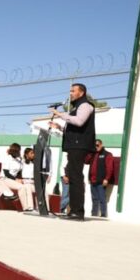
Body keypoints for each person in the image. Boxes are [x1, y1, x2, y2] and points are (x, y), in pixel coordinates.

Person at [50, 83, 96, 221]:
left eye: (73, 91)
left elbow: (79, 121)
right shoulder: (77, 106)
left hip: (79, 146)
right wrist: (59, 127)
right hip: (74, 145)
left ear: (81, 93)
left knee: (76, 177)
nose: (70, 93)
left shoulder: (85, 105)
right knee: (73, 177)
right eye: (70, 90)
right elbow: (73, 125)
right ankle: (73, 210)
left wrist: (60, 114)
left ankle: (78, 211)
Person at [0, 143, 37, 211]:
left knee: (25, 186)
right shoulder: (8, 159)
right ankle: (25, 207)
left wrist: (20, 179)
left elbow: (19, 171)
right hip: (5, 178)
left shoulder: (18, 160)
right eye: (19, 150)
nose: (20, 152)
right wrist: (16, 179)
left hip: (12, 179)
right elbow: (6, 173)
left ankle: (29, 207)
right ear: (15, 151)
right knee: (21, 187)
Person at [86, 140, 117, 218]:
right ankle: (94, 214)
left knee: (102, 198)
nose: (96, 147)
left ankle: (103, 215)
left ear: (101, 145)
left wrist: (107, 179)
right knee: (94, 198)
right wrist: (90, 152)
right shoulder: (93, 154)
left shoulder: (107, 154)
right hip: (92, 180)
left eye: (98, 145)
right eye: (95, 145)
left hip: (101, 181)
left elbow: (109, 168)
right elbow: (86, 161)